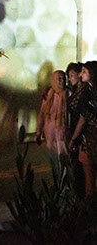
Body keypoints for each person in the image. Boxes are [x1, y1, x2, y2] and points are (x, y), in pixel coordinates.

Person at [69, 61, 97, 196]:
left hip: (89, 140)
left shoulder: (88, 92)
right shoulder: (87, 90)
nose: (80, 74)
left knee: (89, 179)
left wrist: (73, 138)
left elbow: (83, 117)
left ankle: (88, 210)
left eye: (84, 71)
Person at [36, 70, 68, 176]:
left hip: (63, 135)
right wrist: (38, 133)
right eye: (59, 79)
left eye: (64, 78)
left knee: (63, 161)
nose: (62, 81)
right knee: (54, 162)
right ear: (53, 80)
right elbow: (42, 115)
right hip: (50, 135)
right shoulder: (48, 96)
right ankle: (57, 186)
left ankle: (64, 187)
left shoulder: (68, 95)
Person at [65, 62, 87, 196]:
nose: (70, 78)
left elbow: (83, 117)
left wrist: (73, 138)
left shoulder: (84, 93)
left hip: (81, 135)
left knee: (81, 168)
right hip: (74, 131)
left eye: (72, 75)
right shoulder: (75, 91)